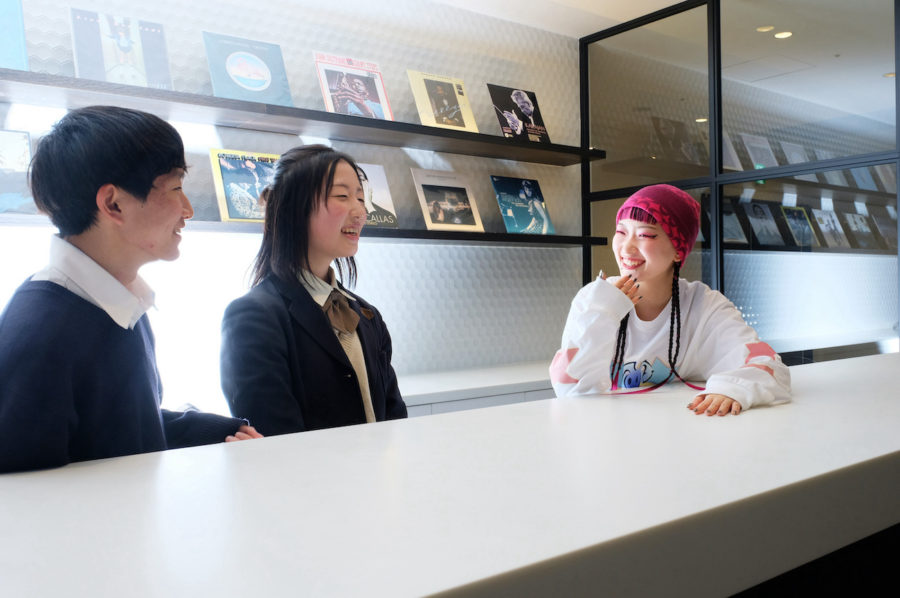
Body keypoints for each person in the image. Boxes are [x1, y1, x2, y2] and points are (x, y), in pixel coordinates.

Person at [0, 105, 261, 473]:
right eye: (175, 188)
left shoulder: (116, 301)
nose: (187, 209)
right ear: (113, 204)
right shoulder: (41, 334)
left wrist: (220, 431)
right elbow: (21, 500)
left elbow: (123, 427)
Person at [550, 184, 791, 416]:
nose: (627, 247)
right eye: (621, 232)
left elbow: (768, 364)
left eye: (645, 235)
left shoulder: (704, 305)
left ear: (678, 249)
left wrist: (732, 390)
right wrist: (604, 312)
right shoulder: (594, 299)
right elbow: (570, 388)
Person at [220, 145, 407, 435]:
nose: (360, 212)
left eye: (360, 197)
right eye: (343, 196)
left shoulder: (367, 315)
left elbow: (395, 418)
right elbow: (273, 438)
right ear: (296, 207)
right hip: (310, 480)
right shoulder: (254, 317)